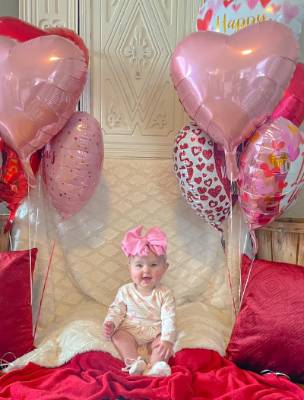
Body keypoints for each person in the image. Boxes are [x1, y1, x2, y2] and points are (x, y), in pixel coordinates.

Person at [102, 225, 176, 376]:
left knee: (161, 344)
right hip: (131, 329)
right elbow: (117, 310)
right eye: (139, 265)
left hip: (155, 330)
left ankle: (156, 366)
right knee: (119, 336)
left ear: (165, 268)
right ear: (130, 267)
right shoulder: (125, 291)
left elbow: (169, 318)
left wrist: (167, 339)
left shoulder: (165, 294)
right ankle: (135, 363)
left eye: (154, 265)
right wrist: (111, 322)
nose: (146, 270)